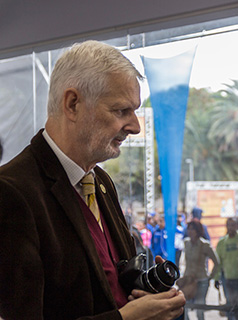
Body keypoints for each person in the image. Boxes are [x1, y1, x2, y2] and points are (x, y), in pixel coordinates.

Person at [0, 40, 185, 320]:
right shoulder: (11, 191)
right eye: (121, 111)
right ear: (72, 104)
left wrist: (148, 293)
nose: (135, 127)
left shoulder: (101, 182)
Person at [182, 219, 219, 320]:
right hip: (188, 279)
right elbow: (184, 261)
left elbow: (216, 263)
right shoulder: (186, 243)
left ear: (198, 231)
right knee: (184, 307)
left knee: (199, 309)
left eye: (192, 229)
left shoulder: (204, 244)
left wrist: (210, 277)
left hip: (201, 280)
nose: (190, 231)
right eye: (189, 229)